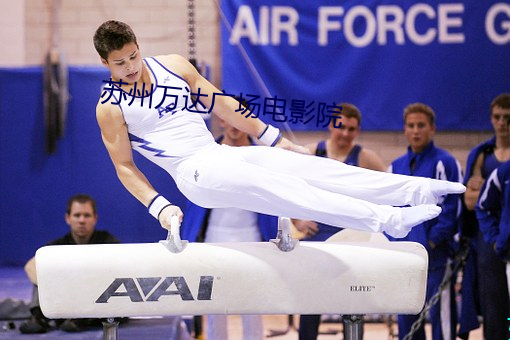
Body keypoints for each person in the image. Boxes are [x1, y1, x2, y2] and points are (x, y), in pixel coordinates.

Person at [93, 20, 465, 247]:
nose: (130, 68)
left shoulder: (172, 66)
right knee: (285, 189)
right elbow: (125, 167)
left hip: (219, 156)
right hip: (193, 173)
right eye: (119, 63)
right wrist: (160, 207)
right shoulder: (110, 108)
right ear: (105, 64)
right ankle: (386, 220)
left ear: (139, 47)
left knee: (310, 168)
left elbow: (222, 104)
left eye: (133, 57)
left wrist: (274, 138)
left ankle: (413, 189)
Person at [181, 119, 278, 340]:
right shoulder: (206, 155)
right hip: (214, 237)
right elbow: (192, 197)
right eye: (231, 120)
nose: (236, 126)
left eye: (241, 121)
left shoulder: (261, 158)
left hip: (253, 237)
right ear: (223, 121)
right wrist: (188, 237)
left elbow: (274, 197)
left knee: (253, 304)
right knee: (215, 302)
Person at [296, 103, 386, 340]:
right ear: (331, 125)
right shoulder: (311, 152)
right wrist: (297, 220)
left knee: (353, 300)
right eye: (341, 127)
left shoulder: (366, 158)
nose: (345, 134)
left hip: (351, 239)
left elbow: (388, 192)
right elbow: (285, 190)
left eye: (351, 129)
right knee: (310, 302)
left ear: (357, 131)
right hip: (317, 236)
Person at [387, 103, 462, 340]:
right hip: (405, 259)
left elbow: (452, 209)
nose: (416, 131)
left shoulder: (445, 163)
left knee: (442, 320)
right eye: (411, 126)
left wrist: (432, 242)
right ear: (405, 130)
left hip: (436, 257)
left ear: (432, 129)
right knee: (407, 321)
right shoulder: (395, 167)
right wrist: (395, 243)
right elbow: (388, 209)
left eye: (421, 125)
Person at [19, 194, 120, 334]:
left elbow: (118, 270)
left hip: (96, 301)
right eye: (77, 215)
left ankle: (80, 319)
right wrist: (60, 283)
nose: (82, 220)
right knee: (42, 270)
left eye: (87, 215)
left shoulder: (108, 242)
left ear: (95, 218)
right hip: (65, 298)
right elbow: (30, 266)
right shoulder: (57, 246)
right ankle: (38, 318)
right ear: (68, 218)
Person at [460, 93, 510, 340]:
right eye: (497, 117)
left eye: (507, 118)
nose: (502, 123)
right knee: (493, 304)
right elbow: (469, 203)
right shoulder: (482, 154)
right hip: (489, 238)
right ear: (491, 119)